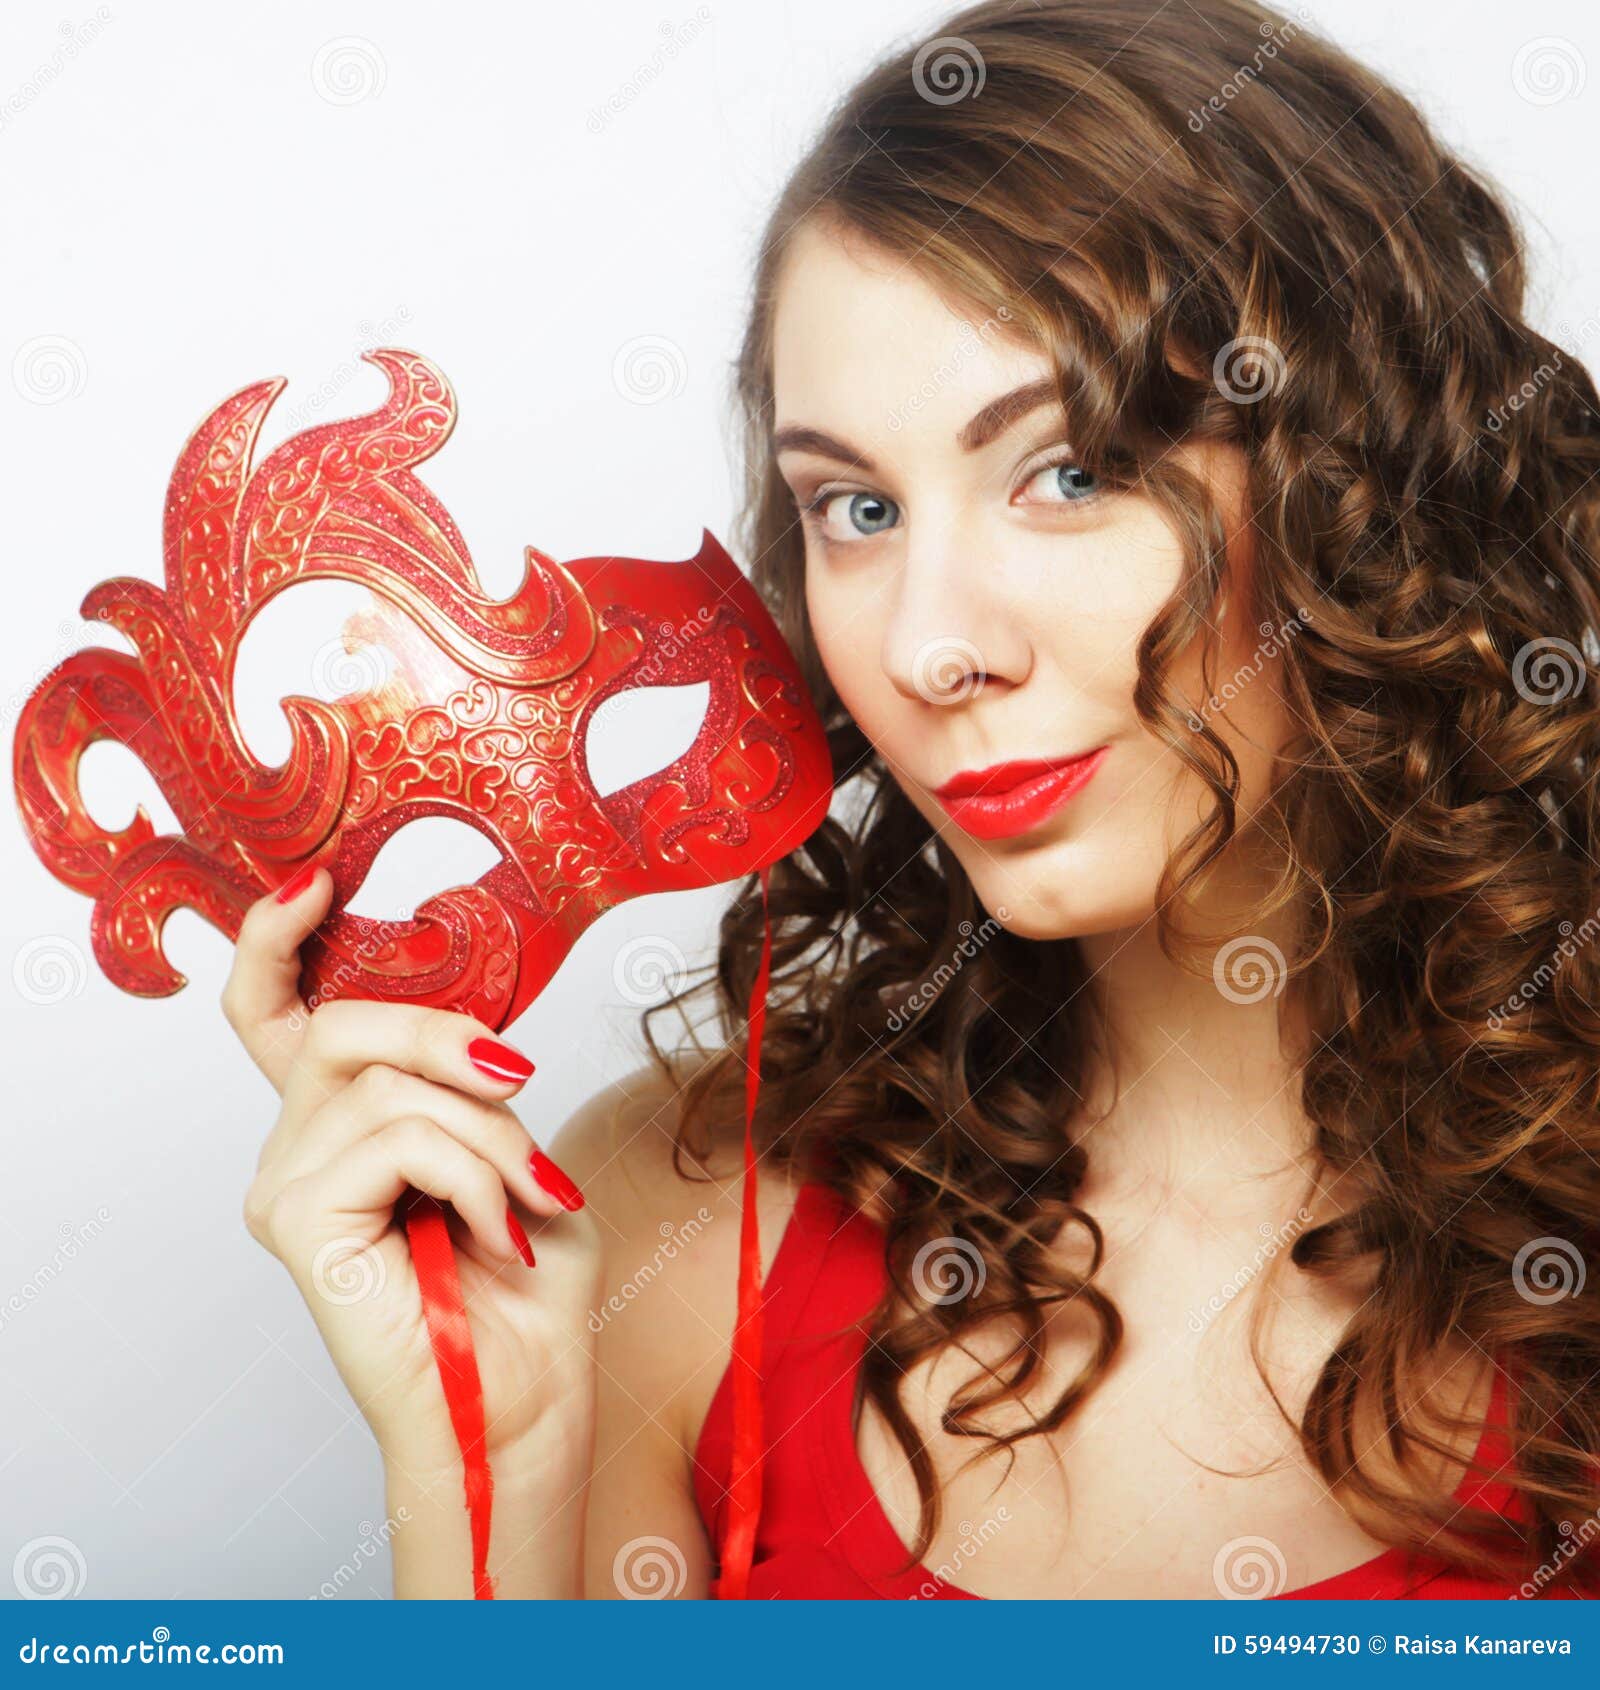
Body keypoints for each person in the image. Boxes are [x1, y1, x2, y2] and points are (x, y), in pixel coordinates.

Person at [222, 0, 1600, 1599]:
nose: (931, 645)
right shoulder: (676, 1234)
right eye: (856, 507)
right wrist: (490, 1466)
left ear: (1356, 491)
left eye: (1071, 472)